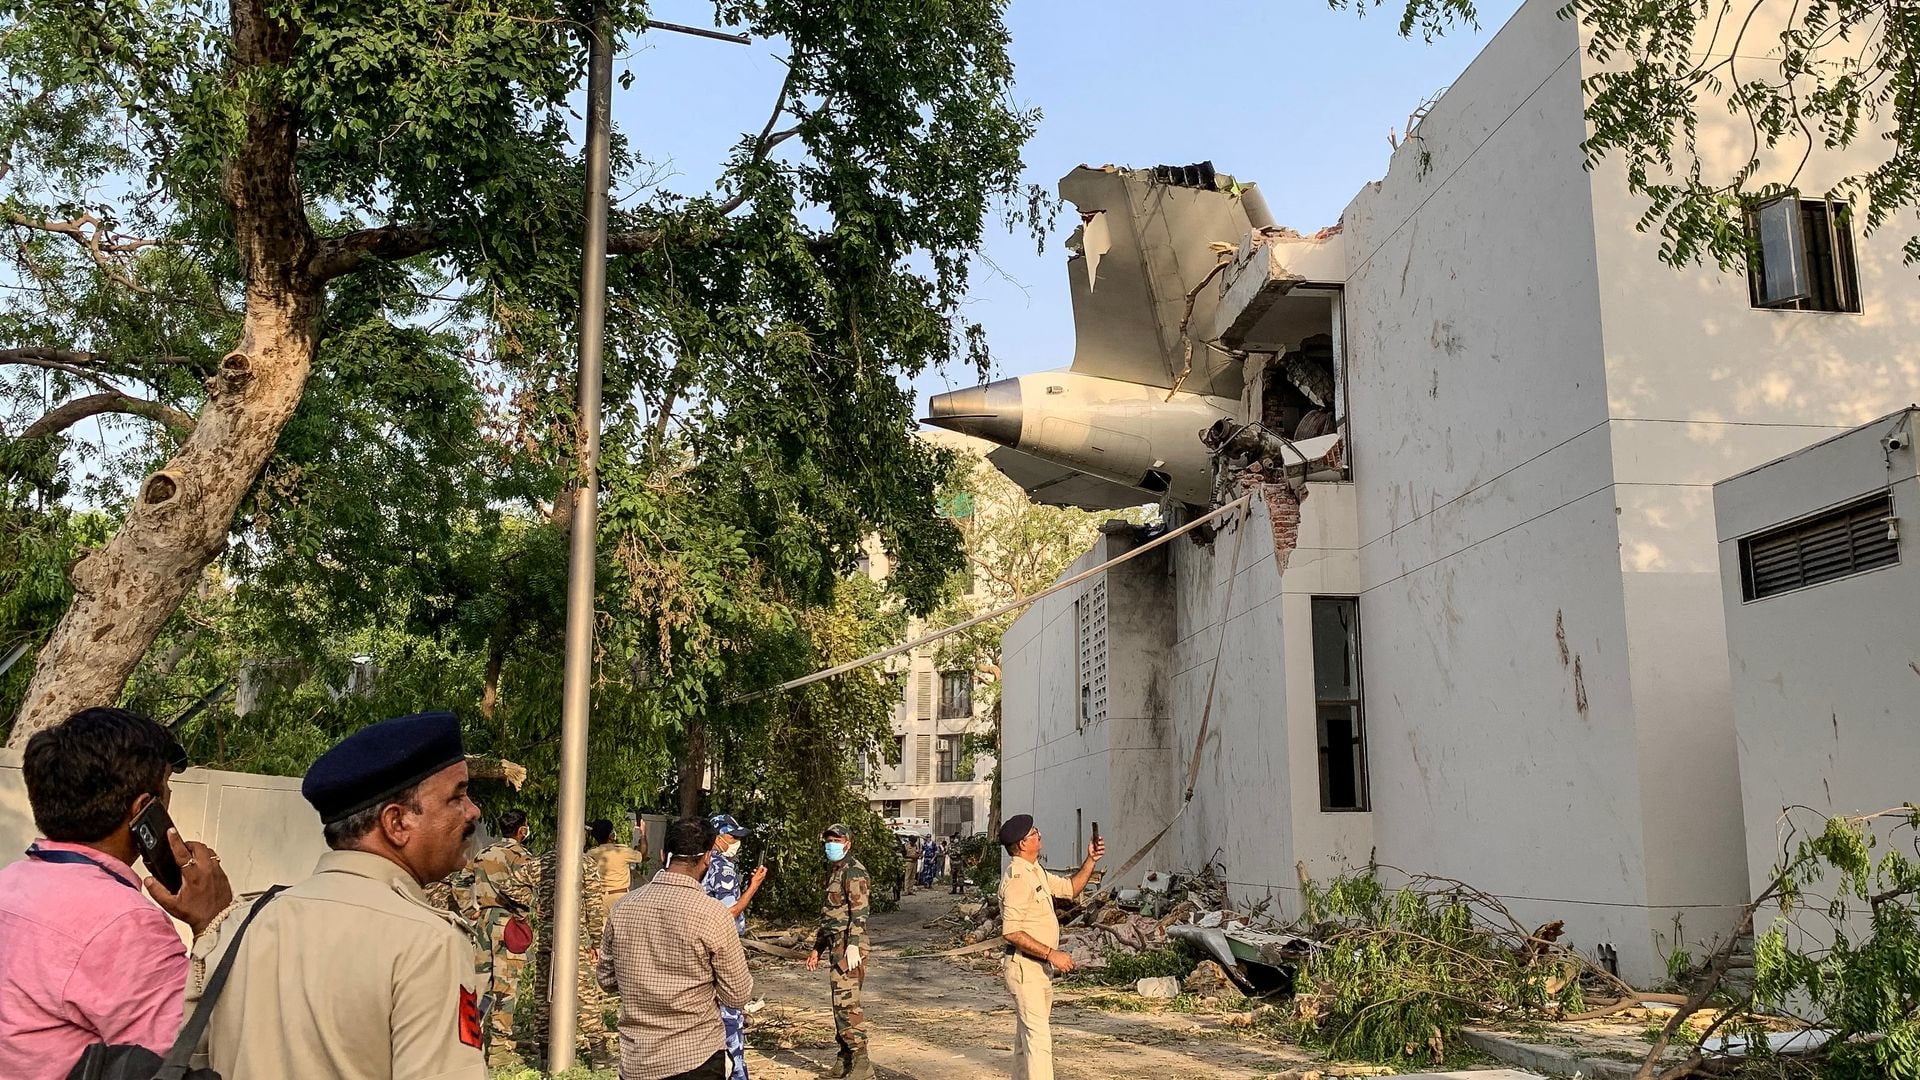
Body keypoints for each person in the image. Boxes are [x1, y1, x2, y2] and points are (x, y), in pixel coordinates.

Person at [188, 709, 486, 1079]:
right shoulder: (427, 943)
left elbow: (194, 1060)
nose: (472, 810)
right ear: (396, 823)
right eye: (456, 796)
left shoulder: (242, 922)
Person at [0, 707, 233, 1080]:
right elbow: (199, 1049)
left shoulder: (11, 883)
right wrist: (217, 920)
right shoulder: (124, 922)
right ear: (144, 810)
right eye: (166, 790)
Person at [596, 817, 753, 1080]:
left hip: (637, 1061)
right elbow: (738, 994)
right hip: (695, 1058)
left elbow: (606, 978)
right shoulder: (713, 915)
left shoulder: (623, 908)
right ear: (707, 858)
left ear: (662, 854)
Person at [997, 813, 1105, 1080]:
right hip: (1025, 968)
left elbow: (1070, 888)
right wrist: (1051, 953)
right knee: (1039, 1043)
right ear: (1022, 844)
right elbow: (1011, 931)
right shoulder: (1017, 880)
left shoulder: (1036, 872)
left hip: (1038, 969)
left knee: (1026, 1043)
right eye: (1034, 833)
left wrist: (1091, 859)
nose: (1039, 835)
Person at [449, 809, 540, 1068]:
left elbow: (460, 881)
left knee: (478, 983)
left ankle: (467, 1041)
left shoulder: (483, 853)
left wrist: (470, 910)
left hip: (483, 923)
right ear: (521, 830)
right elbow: (527, 890)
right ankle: (501, 1050)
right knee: (506, 985)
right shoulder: (522, 857)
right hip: (508, 923)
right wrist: (526, 909)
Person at [530, 825, 611, 1065]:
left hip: (547, 935)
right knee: (584, 992)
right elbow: (594, 906)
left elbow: (516, 885)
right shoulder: (584, 863)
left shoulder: (542, 862)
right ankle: (598, 1050)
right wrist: (597, 940)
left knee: (545, 990)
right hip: (576, 937)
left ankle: (543, 1050)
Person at [701, 813, 767, 1080]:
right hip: (722, 950)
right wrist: (753, 887)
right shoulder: (723, 868)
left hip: (700, 950)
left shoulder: (701, 864)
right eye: (732, 837)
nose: (736, 842)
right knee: (731, 1019)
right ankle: (736, 1072)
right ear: (717, 838)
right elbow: (729, 914)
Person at [805, 823, 873, 1080]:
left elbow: (860, 912)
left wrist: (854, 944)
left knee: (847, 1005)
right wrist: (817, 948)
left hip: (849, 948)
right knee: (838, 1005)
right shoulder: (835, 871)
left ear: (848, 843)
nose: (830, 844)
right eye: (828, 840)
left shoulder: (854, 872)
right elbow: (829, 916)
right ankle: (845, 1058)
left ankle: (862, 1062)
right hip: (836, 945)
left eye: (836, 839)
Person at [589, 817, 645, 927]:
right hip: (619, 896)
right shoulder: (622, 851)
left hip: (599, 898)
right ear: (611, 835)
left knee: (601, 932)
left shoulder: (592, 854)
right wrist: (643, 833)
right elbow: (642, 854)